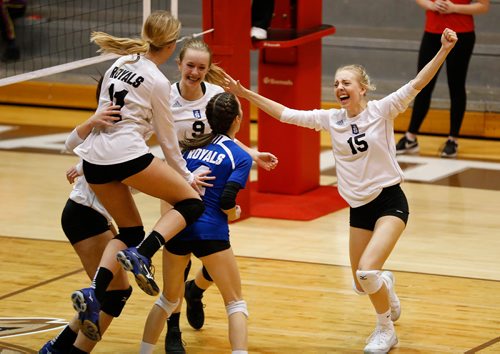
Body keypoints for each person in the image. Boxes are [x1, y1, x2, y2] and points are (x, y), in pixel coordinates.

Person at [224, 28, 458, 353]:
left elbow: (418, 83)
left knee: (366, 271)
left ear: (362, 89)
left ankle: (385, 330)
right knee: (363, 283)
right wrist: (245, 93)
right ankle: (386, 287)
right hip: (359, 208)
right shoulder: (330, 119)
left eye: (346, 82)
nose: (339, 87)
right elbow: (285, 114)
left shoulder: (382, 110)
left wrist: (444, 50)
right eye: (336, 83)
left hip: (390, 201)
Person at [68, 11, 212, 343]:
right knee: (191, 203)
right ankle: (143, 254)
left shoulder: (119, 64)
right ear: (173, 45)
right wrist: (187, 175)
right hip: (126, 154)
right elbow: (167, 139)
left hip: (95, 160)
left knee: (130, 230)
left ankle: (93, 292)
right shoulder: (158, 82)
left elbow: (103, 115)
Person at [164, 37, 278, 352]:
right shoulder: (164, 97)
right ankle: (173, 331)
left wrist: (252, 154)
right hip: (176, 182)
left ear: (208, 69)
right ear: (179, 65)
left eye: (202, 67)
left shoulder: (215, 96)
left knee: (215, 250)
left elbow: (226, 138)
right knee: (177, 257)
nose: (195, 72)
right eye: (190, 65)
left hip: (211, 183)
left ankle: (196, 290)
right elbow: (144, 134)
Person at [140, 92, 252, 354]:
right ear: (238, 120)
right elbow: (226, 200)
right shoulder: (239, 155)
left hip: (178, 227)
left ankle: (144, 351)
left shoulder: (189, 149)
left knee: (168, 299)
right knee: (235, 304)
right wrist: (233, 211)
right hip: (210, 230)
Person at [40, 105, 133, 354]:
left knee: (111, 293)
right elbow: (72, 143)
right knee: (114, 293)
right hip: (85, 215)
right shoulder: (111, 129)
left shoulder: (129, 133)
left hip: (93, 215)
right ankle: (63, 351)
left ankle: (56, 348)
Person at [396, 0, 489, 158]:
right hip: (432, 32)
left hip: (461, 33)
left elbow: (483, 6)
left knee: (456, 86)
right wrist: (431, 5)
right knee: (422, 84)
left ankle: (453, 139)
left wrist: (454, 8)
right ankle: (410, 137)